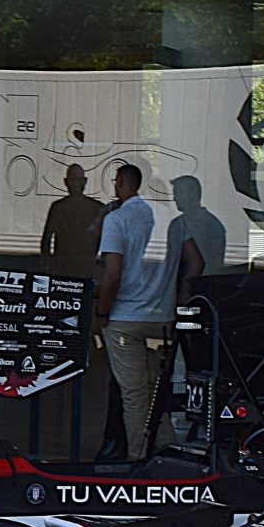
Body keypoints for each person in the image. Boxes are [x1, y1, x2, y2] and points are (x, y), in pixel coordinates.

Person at [93, 162, 166, 463]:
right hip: (161, 315)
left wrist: (103, 312)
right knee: (158, 392)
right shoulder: (165, 219)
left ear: (122, 183)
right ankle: (167, 452)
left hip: (126, 315)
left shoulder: (117, 219)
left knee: (135, 396)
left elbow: (112, 274)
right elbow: (196, 261)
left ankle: (140, 459)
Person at [39, 163, 108, 280]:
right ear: (66, 182)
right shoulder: (58, 207)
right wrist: (48, 265)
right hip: (63, 268)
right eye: (73, 180)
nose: (76, 184)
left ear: (85, 181)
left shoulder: (97, 208)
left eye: (79, 180)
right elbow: (46, 239)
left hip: (86, 267)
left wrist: (100, 266)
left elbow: (106, 241)